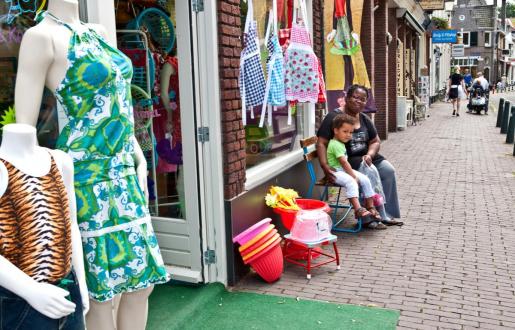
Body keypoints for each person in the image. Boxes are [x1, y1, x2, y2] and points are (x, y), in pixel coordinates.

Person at [14, 1, 169, 329]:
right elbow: (23, 130)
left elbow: (119, 102)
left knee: (142, 284)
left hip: (125, 170)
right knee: (101, 294)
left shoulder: (96, 33)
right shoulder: (41, 37)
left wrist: (138, 157)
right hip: (86, 177)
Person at [0, 123, 88, 329]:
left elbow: (71, 224)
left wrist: (81, 282)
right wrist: (32, 290)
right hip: (19, 298)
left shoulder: (60, 161)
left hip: (67, 287)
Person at [317, 84, 402, 225]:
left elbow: (375, 141)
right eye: (355, 97)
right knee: (365, 172)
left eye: (363, 99)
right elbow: (321, 143)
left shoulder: (364, 118)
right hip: (348, 161)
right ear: (347, 98)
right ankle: (368, 218)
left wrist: (370, 154)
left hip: (367, 158)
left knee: (388, 170)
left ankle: (386, 213)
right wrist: (324, 166)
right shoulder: (334, 117)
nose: (359, 101)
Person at [327, 114, 386, 229]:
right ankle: (358, 209)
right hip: (336, 173)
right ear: (335, 130)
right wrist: (353, 176)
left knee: (365, 179)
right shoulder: (335, 145)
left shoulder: (340, 143)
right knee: (351, 182)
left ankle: (370, 206)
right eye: (345, 131)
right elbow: (344, 163)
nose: (348, 135)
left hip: (342, 171)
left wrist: (354, 175)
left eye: (350, 132)